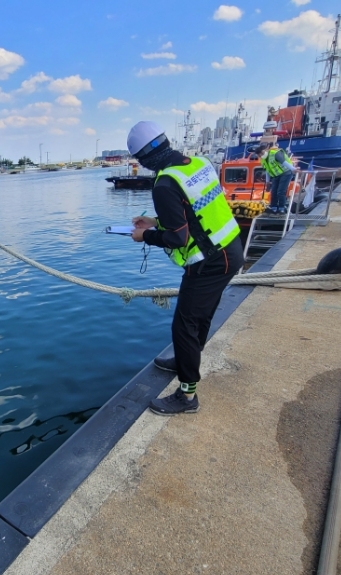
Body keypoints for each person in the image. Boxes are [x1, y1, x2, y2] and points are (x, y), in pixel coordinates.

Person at [127, 121, 244, 415]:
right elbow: (194, 210)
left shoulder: (164, 183)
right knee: (198, 317)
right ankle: (184, 360)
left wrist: (146, 235)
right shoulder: (197, 163)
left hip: (211, 261)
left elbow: (179, 237)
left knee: (184, 325)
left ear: (144, 158)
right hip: (230, 248)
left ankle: (187, 395)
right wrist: (155, 221)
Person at [258, 142, 296, 214]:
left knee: (280, 192)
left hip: (286, 173)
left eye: (261, 153)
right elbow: (267, 170)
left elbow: (284, 162)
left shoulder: (275, 153)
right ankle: (273, 207)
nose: (261, 155)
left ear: (266, 149)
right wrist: (267, 181)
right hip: (276, 175)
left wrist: (293, 169)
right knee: (273, 192)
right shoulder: (263, 159)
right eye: (259, 155)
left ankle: (282, 208)